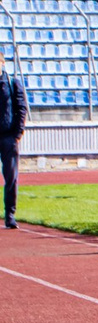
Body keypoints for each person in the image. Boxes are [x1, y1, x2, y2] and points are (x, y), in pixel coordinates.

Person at [0, 49, 25, 228]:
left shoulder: (12, 83)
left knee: (11, 177)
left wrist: (17, 134)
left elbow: (21, 108)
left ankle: (10, 215)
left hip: (8, 136)